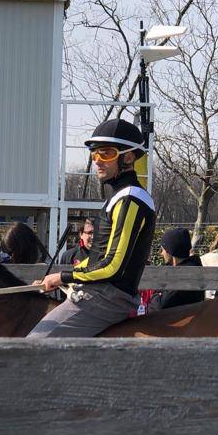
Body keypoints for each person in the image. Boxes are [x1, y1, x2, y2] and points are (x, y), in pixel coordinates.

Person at [29, 119, 155, 337]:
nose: (97, 161)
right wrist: (60, 276)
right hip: (99, 292)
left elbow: (113, 266)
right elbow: (99, 256)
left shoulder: (131, 199)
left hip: (108, 297)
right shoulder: (118, 198)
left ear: (128, 157)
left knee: (36, 341)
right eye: (94, 154)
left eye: (106, 154)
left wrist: (63, 277)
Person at [148, 228, 204, 311]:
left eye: (163, 249)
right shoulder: (189, 269)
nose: (161, 253)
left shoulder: (184, 276)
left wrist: (156, 294)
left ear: (170, 251)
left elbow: (157, 307)